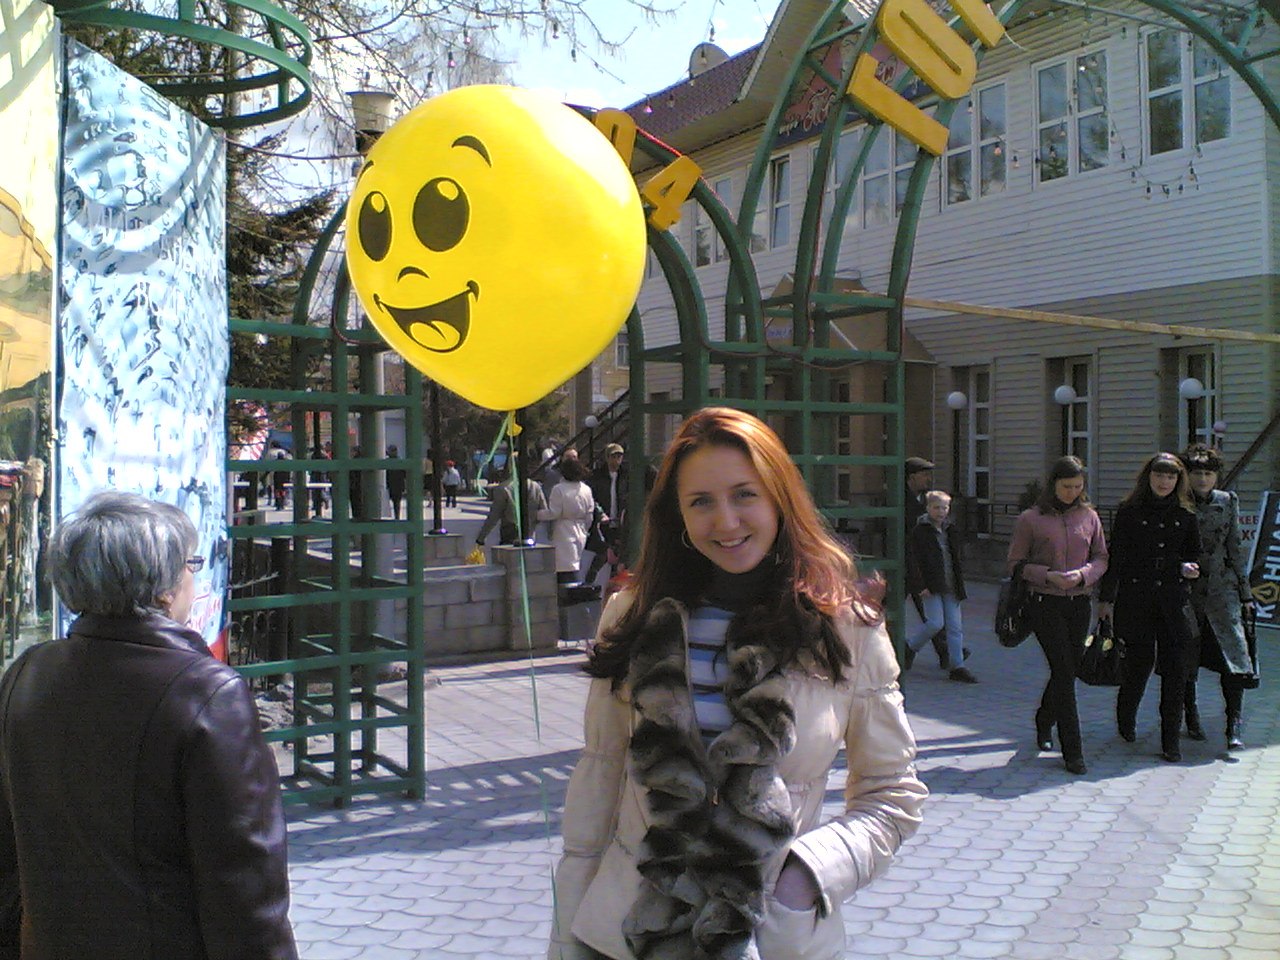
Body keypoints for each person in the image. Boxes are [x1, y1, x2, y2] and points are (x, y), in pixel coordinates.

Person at [548, 407, 926, 960]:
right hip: (633, 933)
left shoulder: (847, 629)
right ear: (678, 515)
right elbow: (596, 790)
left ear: (779, 496)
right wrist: (565, 943)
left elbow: (892, 795)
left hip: (771, 936)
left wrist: (805, 875)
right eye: (701, 502)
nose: (725, 521)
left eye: (744, 494)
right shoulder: (634, 616)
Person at [0, 492, 297, 958]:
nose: (194, 577)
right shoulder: (208, 692)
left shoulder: (28, 672)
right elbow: (245, 882)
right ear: (163, 587)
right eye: (191, 564)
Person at [1006, 456, 1108, 775]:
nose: (1071, 493)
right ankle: (1073, 751)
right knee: (1063, 671)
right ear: (1053, 485)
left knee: (1068, 669)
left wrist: (1083, 575)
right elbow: (1015, 564)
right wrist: (1047, 575)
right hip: (1044, 602)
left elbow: (1101, 557)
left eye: (1077, 487)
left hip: (1079, 602)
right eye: (1066, 487)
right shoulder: (1031, 518)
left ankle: (1044, 718)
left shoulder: (1089, 516)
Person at [1098, 452, 1201, 763]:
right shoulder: (1129, 512)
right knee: (1138, 664)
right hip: (1137, 598)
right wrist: (1106, 599)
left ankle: (1170, 739)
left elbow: (1195, 554)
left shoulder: (1186, 515)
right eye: (1159, 475)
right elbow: (1116, 558)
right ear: (1149, 477)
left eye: (1170, 477)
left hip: (1172, 601)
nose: (1164, 482)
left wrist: (1190, 568)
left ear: (1178, 481)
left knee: (1175, 670)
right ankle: (1126, 715)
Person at [1180, 444, 1255, 750]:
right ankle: (1190, 715)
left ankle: (1233, 723)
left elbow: (1235, 547)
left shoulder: (1227, 501)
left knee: (1234, 656)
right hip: (1188, 590)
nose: (1202, 479)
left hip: (1222, 590)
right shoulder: (1179, 502)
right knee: (1187, 656)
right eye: (1197, 473)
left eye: (1208, 474)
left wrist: (1246, 594)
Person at [904, 490, 976, 682]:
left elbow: (956, 558)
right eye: (936, 508)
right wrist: (920, 585)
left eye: (945, 508)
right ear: (928, 508)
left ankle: (957, 666)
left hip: (951, 584)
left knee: (955, 627)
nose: (941, 512)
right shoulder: (920, 531)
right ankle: (910, 647)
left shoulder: (951, 529)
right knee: (935, 623)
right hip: (931, 585)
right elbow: (913, 560)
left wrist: (960, 583)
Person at [904, 456, 955, 669]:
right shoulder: (901, 500)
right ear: (911, 477)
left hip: (920, 563)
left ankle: (945, 652)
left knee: (931, 613)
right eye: (924, 475)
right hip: (904, 562)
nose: (928, 479)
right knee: (889, 609)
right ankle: (900, 649)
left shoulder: (925, 500)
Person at [538, 455, 596, 584]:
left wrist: (537, 514)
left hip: (563, 532)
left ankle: (568, 594)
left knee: (564, 570)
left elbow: (554, 513)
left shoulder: (559, 489)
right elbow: (590, 515)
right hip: (580, 530)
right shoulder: (586, 489)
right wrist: (585, 530)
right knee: (575, 565)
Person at [475, 458, 549, 548]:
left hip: (509, 534)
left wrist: (481, 538)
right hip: (529, 534)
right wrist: (532, 520)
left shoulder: (503, 489)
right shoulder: (536, 487)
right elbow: (544, 511)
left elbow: (494, 516)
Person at [584, 443, 627, 585]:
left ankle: (614, 584)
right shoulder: (597, 476)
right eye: (614, 456)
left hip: (621, 522)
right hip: (603, 524)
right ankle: (589, 582)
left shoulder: (626, 476)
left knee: (620, 554)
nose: (617, 460)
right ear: (607, 458)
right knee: (603, 553)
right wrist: (600, 514)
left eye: (620, 456)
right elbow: (591, 498)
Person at [386, 443, 407, 520]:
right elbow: (405, 474)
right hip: (398, 484)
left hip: (392, 484)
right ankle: (397, 516)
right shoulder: (400, 461)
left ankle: (396, 516)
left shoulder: (387, 462)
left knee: (395, 501)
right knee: (397, 502)